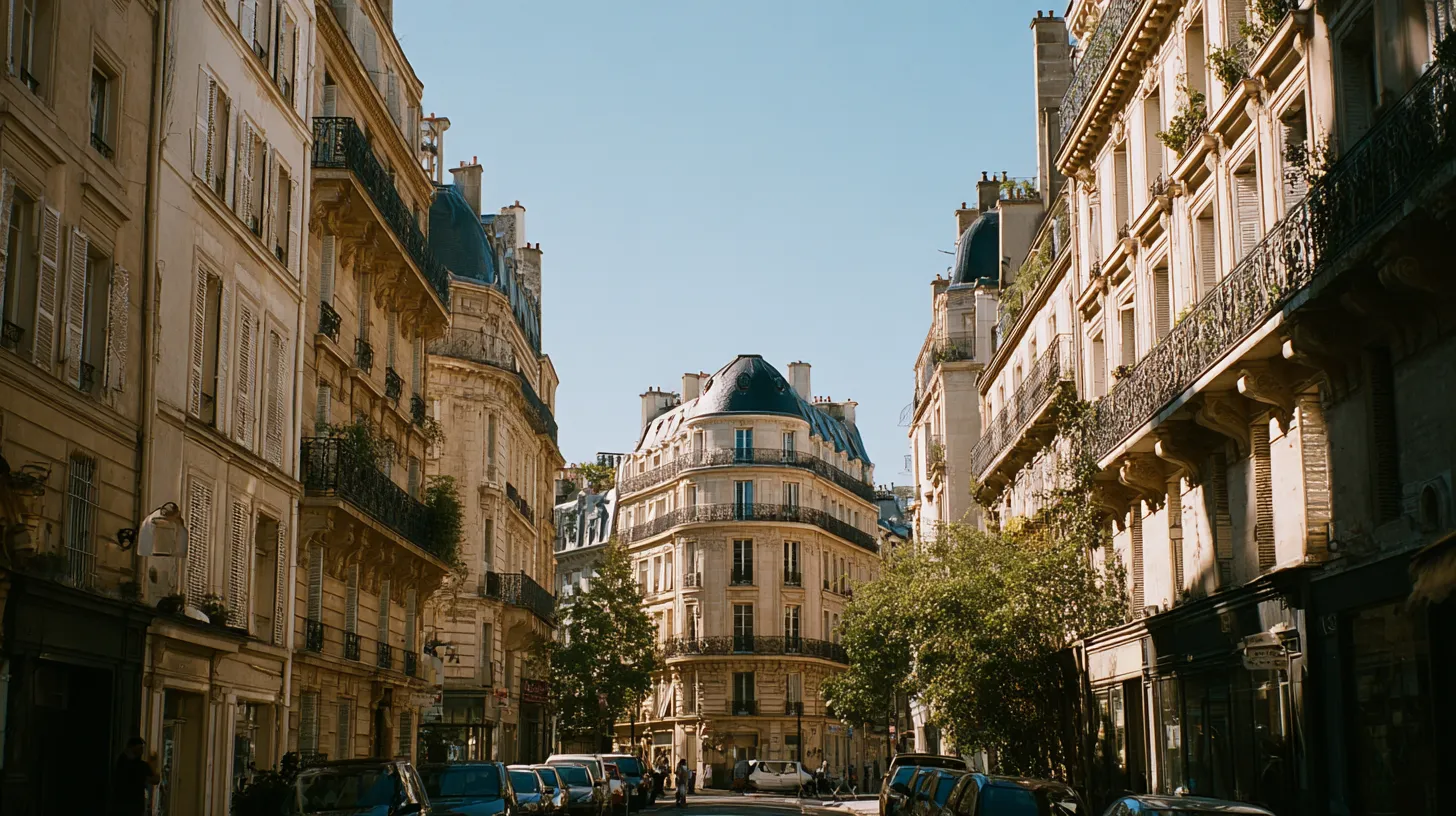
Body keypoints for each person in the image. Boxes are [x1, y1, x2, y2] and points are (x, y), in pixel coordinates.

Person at [108, 737, 160, 816]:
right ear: (132, 748)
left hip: (127, 805)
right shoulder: (133, 764)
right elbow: (155, 779)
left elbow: (155, 780)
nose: (141, 751)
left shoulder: (127, 761)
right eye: (140, 748)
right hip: (128, 805)